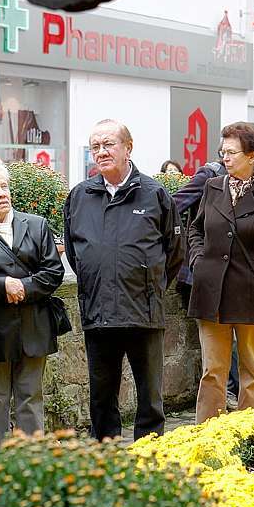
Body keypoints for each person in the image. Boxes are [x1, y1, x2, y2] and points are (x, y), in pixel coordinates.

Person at [63, 119, 184, 440]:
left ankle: (148, 458)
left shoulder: (154, 194)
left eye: (108, 145)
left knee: (150, 397)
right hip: (98, 312)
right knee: (101, 397)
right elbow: (76, 254)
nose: (101, 152)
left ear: (128, 148)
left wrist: (150, 286)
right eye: (95, 147)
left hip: (143, 312)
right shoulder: (79, 196)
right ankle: (105, 461)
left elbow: (174, 253)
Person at [0, 161, 64, 438]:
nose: (2, 193)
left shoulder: (37, 224)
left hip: (34, 324)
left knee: (31, 397)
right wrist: (1, 285)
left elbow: (54, 273)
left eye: (4, 186)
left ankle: (32, 463)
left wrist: (24, 286)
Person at [188, 122, 254, 420]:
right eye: (222, 152)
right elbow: (195, 229)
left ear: (252, 155)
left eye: (232, 152)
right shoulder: (213, 187)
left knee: (253, 371)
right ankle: (206, 440)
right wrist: (198, 262)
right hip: (212, 291)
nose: (225, 158)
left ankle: (249, 442)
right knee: (212, 372)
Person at [172, 151, 240, 410]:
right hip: (206, 275)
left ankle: (237, 401)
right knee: (219, 347)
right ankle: (227, 398)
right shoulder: (210, 175)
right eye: (227, 150)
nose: (229, 156)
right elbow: (173, 206)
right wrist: (194, 258)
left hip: (238, 276)